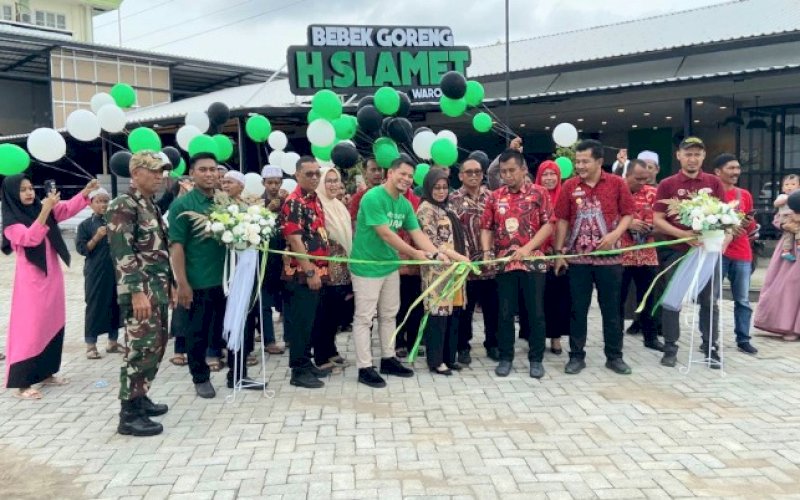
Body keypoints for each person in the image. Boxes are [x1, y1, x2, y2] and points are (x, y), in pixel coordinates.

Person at [171, 153, 264, 398]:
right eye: (203, 169)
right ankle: (200, 378)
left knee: (238, 327)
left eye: (213, 169)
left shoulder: (226, 201)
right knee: (198, 331)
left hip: (232, 280)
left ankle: (238, 374)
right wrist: (182, 283)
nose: (210, 174)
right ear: (192, 173)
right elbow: (176, 247)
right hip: (200, 280)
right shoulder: (183, 205)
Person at [350, 158, 447, 388]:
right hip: (366, 267)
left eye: (410, 176)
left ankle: (388, 358)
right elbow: (386, 233)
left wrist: (436, 253)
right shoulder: (372, 197)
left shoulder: (404, 204)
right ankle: (364, 367)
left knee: (389, 315)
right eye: (402, 174)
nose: (406, 179)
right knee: (364, 318)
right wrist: (415, 253)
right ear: (390, 173)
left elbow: (417, 233)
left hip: (389, 266)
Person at [1, 175, 96, 399]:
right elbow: (30, 238)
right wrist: (45, 210)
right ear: (12, 194)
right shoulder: (12, 223)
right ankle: (22, 384)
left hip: (52, 277)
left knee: (52, 323)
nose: (29, 193)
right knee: (31, 328)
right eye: (23, 190)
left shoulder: (41, 209)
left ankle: (46, 373)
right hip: (31, 282)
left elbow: (66, 209)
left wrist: (86, 191)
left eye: (30, 188)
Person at [554, 140, 635, 376]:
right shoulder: (569, 186)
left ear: (599, 161)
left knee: (612, 309)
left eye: (585, 161)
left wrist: (615, 235)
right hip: (578, 260)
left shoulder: (617, 183)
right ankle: (576, 356)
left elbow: (629, 214)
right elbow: (562, 219)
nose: (580, 166)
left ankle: (614, 356)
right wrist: (559, 253)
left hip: (610, 260)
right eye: (577, 161)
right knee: (577, 309)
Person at [105, 152, 171, 436]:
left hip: (158, 288)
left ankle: (141, 396)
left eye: (161, 171)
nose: (159, 176)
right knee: (140, 349)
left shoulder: (149, 204)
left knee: (155, 346)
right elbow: (123, 253)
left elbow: (158, 249)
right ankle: (129, 415)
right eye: (153, 171)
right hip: (141, 291)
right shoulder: (123, 205)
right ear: (135, 173)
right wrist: (135, 293)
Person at [652, 137, 726, 368]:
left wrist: (717, 238)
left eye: (697, 154)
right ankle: (670, 348)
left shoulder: (714, 183)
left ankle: (711, 347)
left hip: (707, 253)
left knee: (709, 301)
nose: (692, 159)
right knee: (672, 300)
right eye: (688, 154)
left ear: (703, 156)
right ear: (679, 156)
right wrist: (681, 234)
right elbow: (657, 219)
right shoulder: (668, 184)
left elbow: (725, 216)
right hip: (676, 251)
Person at [481, 149, 553, 378]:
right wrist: (486, 252)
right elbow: (486, 227)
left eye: (512, 170)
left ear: (523, 170)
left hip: (533, 263)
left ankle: (536, 359)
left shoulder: (540, 193)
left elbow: (548, 225)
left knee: (535, 313)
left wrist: (527, 248)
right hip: (505, 265)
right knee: (504, 313)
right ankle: (505, 358)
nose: (507, 175)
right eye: (503, 172)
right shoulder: (494, 197)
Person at [280, 156, 333, 388]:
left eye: (316, 173)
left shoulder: (314, 199)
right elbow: (295, 240)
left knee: (311, 320)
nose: (314, 178)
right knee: (301, 323)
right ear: (297, 175)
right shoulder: (294, 202)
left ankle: (306, 362)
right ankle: (298, 371)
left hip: (318, 269)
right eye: (308, 174)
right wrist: (310, 272)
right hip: (301, 273)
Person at [417, 168, 471, 375]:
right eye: (436, 188)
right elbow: (431, 241)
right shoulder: (425, 209)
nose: (441, 191)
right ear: (428, 188)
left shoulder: (449, 207)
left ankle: (450, 358)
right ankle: (436, 361)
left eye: (444, 187)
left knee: (454, 314)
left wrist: (463, 259)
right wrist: (459, 257)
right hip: (437, 273)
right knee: (438, 316)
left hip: (456, 271)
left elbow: (459, 236)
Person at [450, 158, 499, 363]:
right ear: (460, 175)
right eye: (468, 172)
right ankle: (463, 346)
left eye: (477, 172)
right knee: (464, 310)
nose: (473, 176)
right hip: (465, 265)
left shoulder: (492, 197)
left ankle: (493, 344)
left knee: (493, 308)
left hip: (490, 264)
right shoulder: (452, 199)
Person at [713, 153, 758, 354]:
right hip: (717, 252)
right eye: (731, 168)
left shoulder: (744, 195)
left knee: (742, 300)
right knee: (711, 299)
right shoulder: (710, 196)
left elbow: (751, 227)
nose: (736, 172)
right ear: (718, 171)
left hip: (742, 253)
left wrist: (748, 224)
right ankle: (710, 339)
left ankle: (743, 339)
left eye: (737, 168)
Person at [311, 166, 352, 372]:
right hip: (325, 267)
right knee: (323, 311)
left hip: (342, 264)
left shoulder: (339, 206)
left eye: (336, 180)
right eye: (329, 181)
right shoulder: (317, 205)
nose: (334, 185)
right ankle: (321, 354)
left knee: (336, 310)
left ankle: (331, 349)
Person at [619, 160, 664, 352]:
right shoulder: (616, 191)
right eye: (637, 179)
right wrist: (628, 224)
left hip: (647, 254)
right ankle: (615, 339)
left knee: (648, 297)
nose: (642, 183)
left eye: (645, 179)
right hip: (620, 255)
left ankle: (650, 337)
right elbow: (607, 217)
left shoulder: (653, 193)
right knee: (617, 299)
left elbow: (662, 221)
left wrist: (649, 228)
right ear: (627, 175)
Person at [76, 187, 122, 359]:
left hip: (115, 270)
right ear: (91, 204)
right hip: (96, 271)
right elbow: (82, 249)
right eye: (99, 201)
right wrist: (96, 237)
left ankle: (113, 342)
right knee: (94, 305)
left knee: (115, 304)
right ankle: (91, 345)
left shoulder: (115, 221)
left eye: (105, 201)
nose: (103, 204)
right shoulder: (85, 225)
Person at [754, 181, 800, 341]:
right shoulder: (787, 202)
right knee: (787, 285)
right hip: (789, 247)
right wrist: (786, 225)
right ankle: (787, 326)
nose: (790, 186)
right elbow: (778, 221)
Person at [534, 160, 570, 355]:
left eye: (552, 174)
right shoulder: (533, 197)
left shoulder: (565, 196)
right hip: (537, 256)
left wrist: (562, 250)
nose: (549, 178)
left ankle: (556, 338)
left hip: (560, 257)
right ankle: (536, 338)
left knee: (558, 299)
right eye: (545, 175)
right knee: (537, 301)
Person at [260, 165, 287, 355]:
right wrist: (268, 209)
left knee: (286, 299)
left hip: (284, 257)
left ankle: (291, 337)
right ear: (263, 183)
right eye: (270, 183)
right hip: (264, 259)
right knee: (265, 302)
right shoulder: (256, 203)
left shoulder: (287, 202)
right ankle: (268, 340)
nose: (273, 186)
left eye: (277, 183)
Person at [773, 174, 800, 261]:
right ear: (782, 188)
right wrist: (784, 226)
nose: (789, 187)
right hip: (786, 220)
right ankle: (786, 251)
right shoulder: (782, 197)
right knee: (788, 236)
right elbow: (776, 220)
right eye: (787, 185)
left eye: (793, 184)